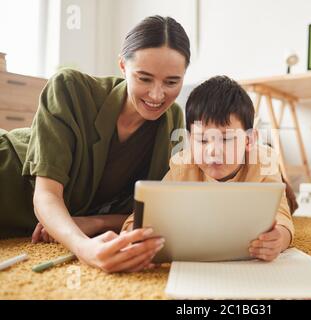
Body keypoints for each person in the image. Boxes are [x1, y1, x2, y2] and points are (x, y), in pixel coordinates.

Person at [0, 16, 189, 273]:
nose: (157, 95)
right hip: (9, 180)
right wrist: (84, 248)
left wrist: (96, 222)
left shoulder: (172, 120)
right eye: (144, 78)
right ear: (122, 65)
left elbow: (154, 214)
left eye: (171, 82)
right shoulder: (70, 88)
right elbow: (46, 194)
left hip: (43, 224)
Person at [122, 76, 297, 261]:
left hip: (257, 172)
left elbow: (282, 216)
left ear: (249, 139)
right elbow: (142, 217)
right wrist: (133, 235)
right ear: (190, 140)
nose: (213, 151)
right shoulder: (182, 166)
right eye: (203, 140)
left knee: (286, 201)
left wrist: (280, 238)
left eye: (227, 139)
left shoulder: (265, 162)